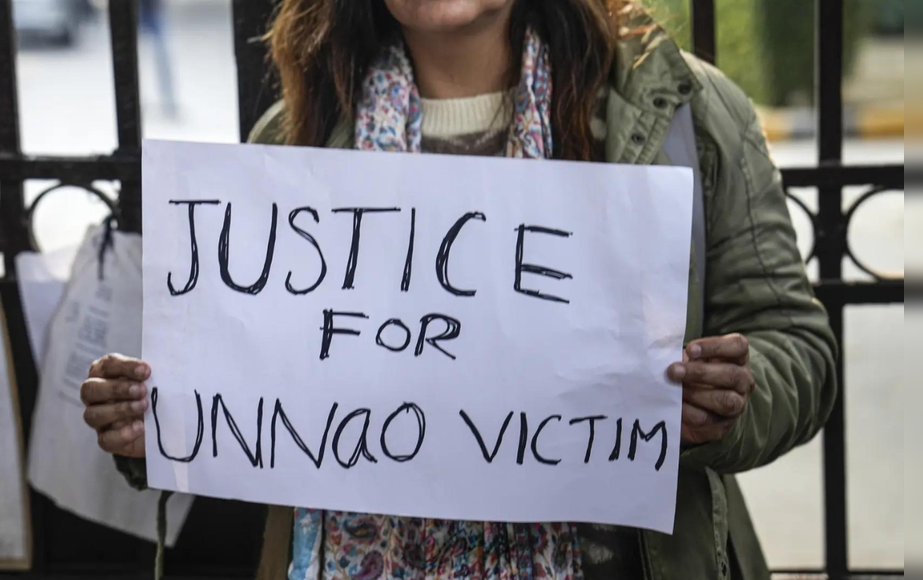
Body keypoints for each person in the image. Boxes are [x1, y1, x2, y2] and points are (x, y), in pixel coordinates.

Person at [79, 0, 837, 579]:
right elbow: (247, 403)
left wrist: (725, 401)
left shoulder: (681, 114)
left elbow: (795, 347)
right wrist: (158, 424)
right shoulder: (294, 140)